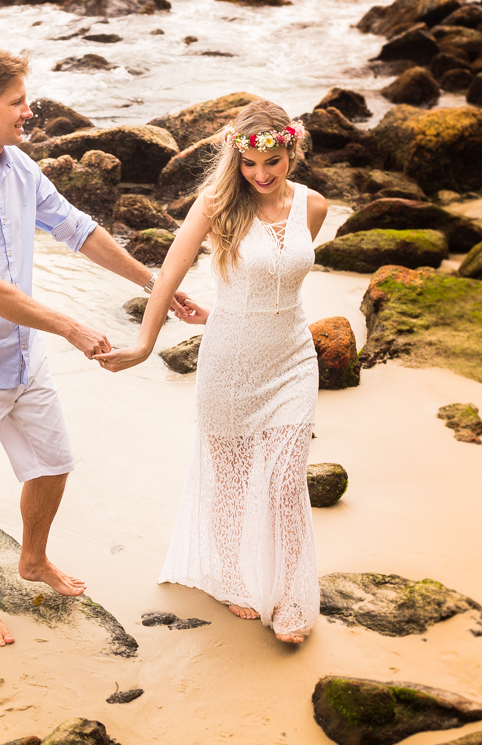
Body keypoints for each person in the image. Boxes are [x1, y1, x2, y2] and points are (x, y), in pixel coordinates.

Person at [0, 46, 190, 647]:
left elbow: (78, 229)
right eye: (18, 103)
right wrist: (70, 326)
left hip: (22, 359)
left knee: (54, 462)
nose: (29, 112)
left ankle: (33, 559)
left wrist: (155, 282)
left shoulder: (18, 168)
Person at [96, 100, 327, 644]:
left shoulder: (313, 207)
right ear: (235, 158)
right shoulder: (217, 204)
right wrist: (144, 344)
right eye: (249, 163)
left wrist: (228, 306)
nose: (261, 174)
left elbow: (280, 278)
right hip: (229, 362)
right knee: (231, 481)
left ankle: (292, 598)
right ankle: (229, 577)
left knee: (287, 481)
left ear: (291, 149)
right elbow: (166, 277)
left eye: (272, 160)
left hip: (292, 358)